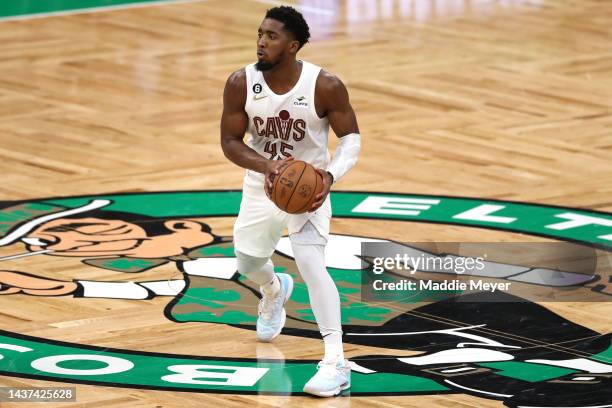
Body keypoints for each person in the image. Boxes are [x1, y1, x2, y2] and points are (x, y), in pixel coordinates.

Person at [220, 5, 361, 397]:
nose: (262, 42)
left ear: (293, 45)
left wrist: (328, 178)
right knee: (247, 261)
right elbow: (230, 142)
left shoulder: (325, 85)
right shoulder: (240, 83)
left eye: (272, 36)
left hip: (309, 190)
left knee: (313, 264)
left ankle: (335, 360)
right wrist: (268, 166)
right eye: (260, 34)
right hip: (262, 183)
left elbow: (351, 141)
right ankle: (273, 290)